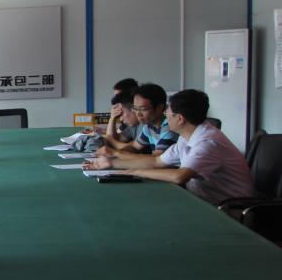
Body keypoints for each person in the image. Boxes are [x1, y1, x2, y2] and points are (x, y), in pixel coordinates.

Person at [84, 89, 254, 204]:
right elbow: (157, 161)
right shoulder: (187, 137)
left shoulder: (207, 142)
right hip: (203, 201)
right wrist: (112, 164)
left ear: (180, 119)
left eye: (168, 113)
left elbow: (180, 176)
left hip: (229, 209)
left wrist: (132, 172)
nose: (166, 116)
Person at [104, 83, 178, 157]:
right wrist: (112, 153)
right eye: (135, 109)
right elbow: (134, 147)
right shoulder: (149, 126)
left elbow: (156, 159)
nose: (138, 114)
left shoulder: (169, 128)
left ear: (159, 108)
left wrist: (116, 153)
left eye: (143, 109)